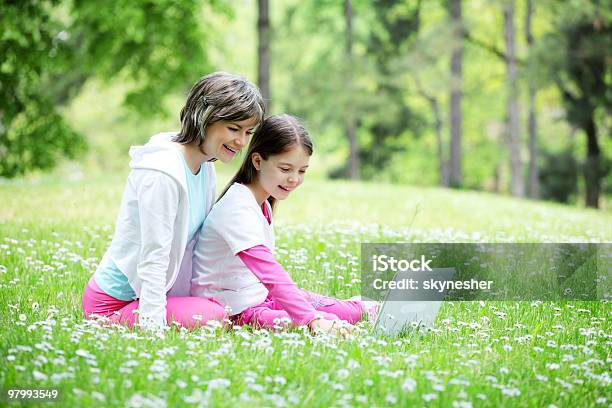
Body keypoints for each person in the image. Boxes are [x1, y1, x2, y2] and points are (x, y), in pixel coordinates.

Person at [82, 72, 265, 331]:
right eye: (233, 129)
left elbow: (193, 246)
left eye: (248, 132)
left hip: (153, 293)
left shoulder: (205, 166)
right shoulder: (163, 173)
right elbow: (154, 257)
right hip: (114, 304)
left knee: (219, 308)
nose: (242, 142)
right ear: (203, 117)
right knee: (215, 315)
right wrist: (153, 329)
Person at [191, 114, 376, 335]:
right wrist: (311, 319)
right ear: (257, 161)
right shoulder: (237, 208)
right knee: (330, 322)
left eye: (302, 171)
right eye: (286, 169)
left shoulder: (262, 203)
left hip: (261, 298)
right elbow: (270, 273)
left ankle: (375, 308)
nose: (294, 179)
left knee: (352, 313)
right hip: (235, 312)